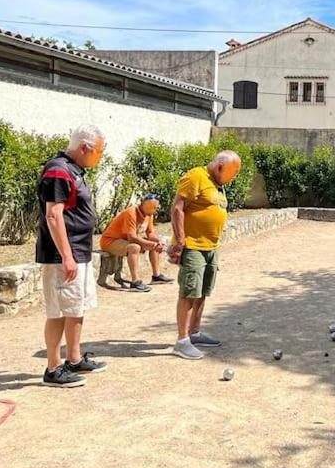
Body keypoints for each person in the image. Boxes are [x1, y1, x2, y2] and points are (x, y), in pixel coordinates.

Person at [37, 125, 109, 387]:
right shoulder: (58, 170)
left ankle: (74, 359)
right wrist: (67, 256)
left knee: (76, 307)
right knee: (58, 310)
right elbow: (53, 215)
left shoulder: (73, 170)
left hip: (79, 251)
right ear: (85, 148)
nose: (100, 156)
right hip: (63, 255)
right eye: (99, 151)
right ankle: (53, 368)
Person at [168, 150, 242, 360]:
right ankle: (182, 341)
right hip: (193, 246)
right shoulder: (196, 176)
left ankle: (194, 332)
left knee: (202, 291)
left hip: (211, 247)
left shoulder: (217, 184)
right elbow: (177, 209)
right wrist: (180, 241)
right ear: (220, 167)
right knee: (189, 292)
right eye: (231, 174)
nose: (232, 179)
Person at [99, 194, 173, 291]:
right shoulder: (131, 213)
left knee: (153, 243)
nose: (155, 210)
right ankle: (135, 281)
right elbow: (132, 238)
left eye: (156, 207)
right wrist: (152, 245)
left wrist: (158, 241)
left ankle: (156, 276)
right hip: (110, 241)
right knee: (134, 247)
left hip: (125, 240)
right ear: (145, 205)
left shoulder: (149, 215)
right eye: (154, 207)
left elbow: (150, 233)